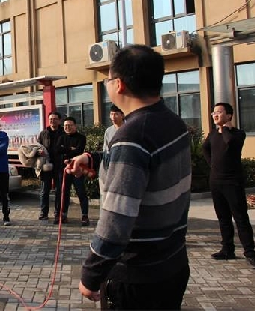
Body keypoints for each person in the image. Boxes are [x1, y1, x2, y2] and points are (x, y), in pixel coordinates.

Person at [66, 45, 191, 309]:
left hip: (140, 276)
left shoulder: (132, 136)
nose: (107, 84)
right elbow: (148, 165)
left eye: (108, 79)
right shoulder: (173, 122)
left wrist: (92, 274)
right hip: (174, 262)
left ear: (119, 85)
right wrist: (93, 158)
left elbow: (117, 219)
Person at [202, 102, 255, 270]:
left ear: (229, 115)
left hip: (232, 182)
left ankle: (250, 254)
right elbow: (205, 149)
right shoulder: (213, 134)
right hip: (216, 182)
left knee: (241, 218)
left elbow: (229, 142)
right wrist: (212, 165)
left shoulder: (237, 134)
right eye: (213, 112)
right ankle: (227, 249)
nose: (215, 115)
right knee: (223, 218)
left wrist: (225, 128)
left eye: (219, 112)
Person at [54, 117, 88, 226]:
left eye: (70, 125)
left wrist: (65, 151)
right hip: (64, 169)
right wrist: (70, 149)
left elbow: (79, 151)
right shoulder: (61, 137)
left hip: (77, 169)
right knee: (64, 192)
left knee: (81, 192)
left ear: (75, 126)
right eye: (65, 125)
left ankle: (85, 215)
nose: (67, 127)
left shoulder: (81, 138)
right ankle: (63, 215)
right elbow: (57, 150)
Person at [37, 111, 64, 221]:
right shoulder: (43, 133)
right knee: (44, 190)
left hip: (59, 165)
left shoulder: (63, 133)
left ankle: (58, 213)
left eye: (55, 119)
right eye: (51, 119)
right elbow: (37, 146)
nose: (53, 121)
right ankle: (44, 213)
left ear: (59, 120)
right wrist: (39, 152)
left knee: (59, 190)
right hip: (46, 165)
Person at [99, 105, 125, 215]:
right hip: (109, 167)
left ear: (122, 115)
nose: (113, 117)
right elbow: (106, 150)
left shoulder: (129, 128)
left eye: (116, 114)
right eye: (111, 114)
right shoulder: (108, 131)